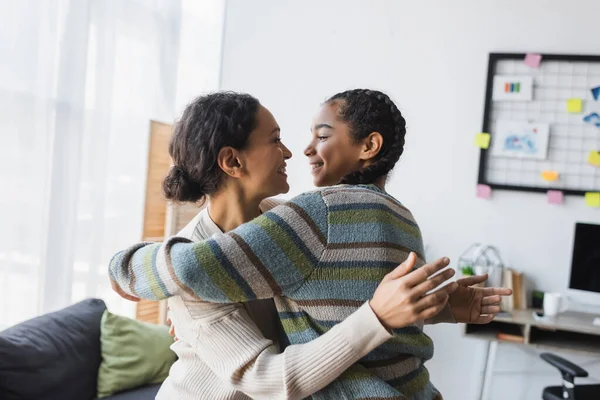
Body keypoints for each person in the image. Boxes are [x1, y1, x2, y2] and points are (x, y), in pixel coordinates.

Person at [110, 89, 511, 399]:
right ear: (233, 162)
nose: (291, 151)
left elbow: (335, 302)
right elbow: (269, 380)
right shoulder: (190, 263)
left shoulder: (288, 219)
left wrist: (434, 306)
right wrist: (124, 267)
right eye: (275, 140)